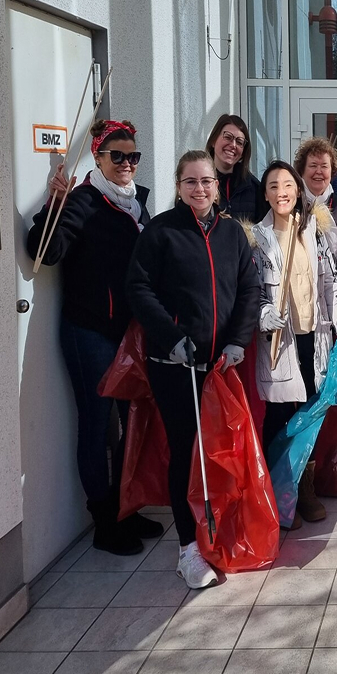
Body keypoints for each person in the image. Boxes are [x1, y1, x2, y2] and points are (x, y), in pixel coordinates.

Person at [127, 149, 260, 589]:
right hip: (175, 364)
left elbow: (249, 289)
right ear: (179, 186)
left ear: (217, 187)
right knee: (186, 452)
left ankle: (219, 529)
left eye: (206, 181)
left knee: (220, 451)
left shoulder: (232, 233)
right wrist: (171, 337)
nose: (199, 189)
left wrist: (238, 340)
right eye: (190, 182)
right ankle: (188, 547)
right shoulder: (161, 231)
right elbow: (139, 289)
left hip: (221, 364)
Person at [27, 119, 161, 555]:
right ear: (98, 158)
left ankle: (124, 507)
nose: (126, 164)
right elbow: (45, 251)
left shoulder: (137, 204)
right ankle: (104, 522)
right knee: (97, 424)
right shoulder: (83, 200)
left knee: (131, 423)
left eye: (132, 156)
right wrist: (54, 204)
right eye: (116, 156)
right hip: (90, 332)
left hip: (129, 334)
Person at [251, 159, 337, 529]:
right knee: (279, 416)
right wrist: (263, 312)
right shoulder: (257, 239)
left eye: (288, 186)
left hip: (314, 337)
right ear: (266, 195)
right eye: (274, 186)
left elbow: (330, 286)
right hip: (280, 342)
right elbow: (251, 291)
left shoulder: (315, 230)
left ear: (298, 191)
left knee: (311, 413)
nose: (282, 193)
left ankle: (304, 488)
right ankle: (277, 492)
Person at [297, 137, 337, 318]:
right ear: (301, 170)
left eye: (324, 166)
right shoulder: (293, 208)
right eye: (313, 165)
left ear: (332, 171)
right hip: (303, 310)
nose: (319, 171)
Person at [206, 114, 263, 222]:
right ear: (213, 140)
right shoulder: (199, 183)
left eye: (239, 142)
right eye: (228, 137)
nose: (233, 145)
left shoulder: (254, 188)